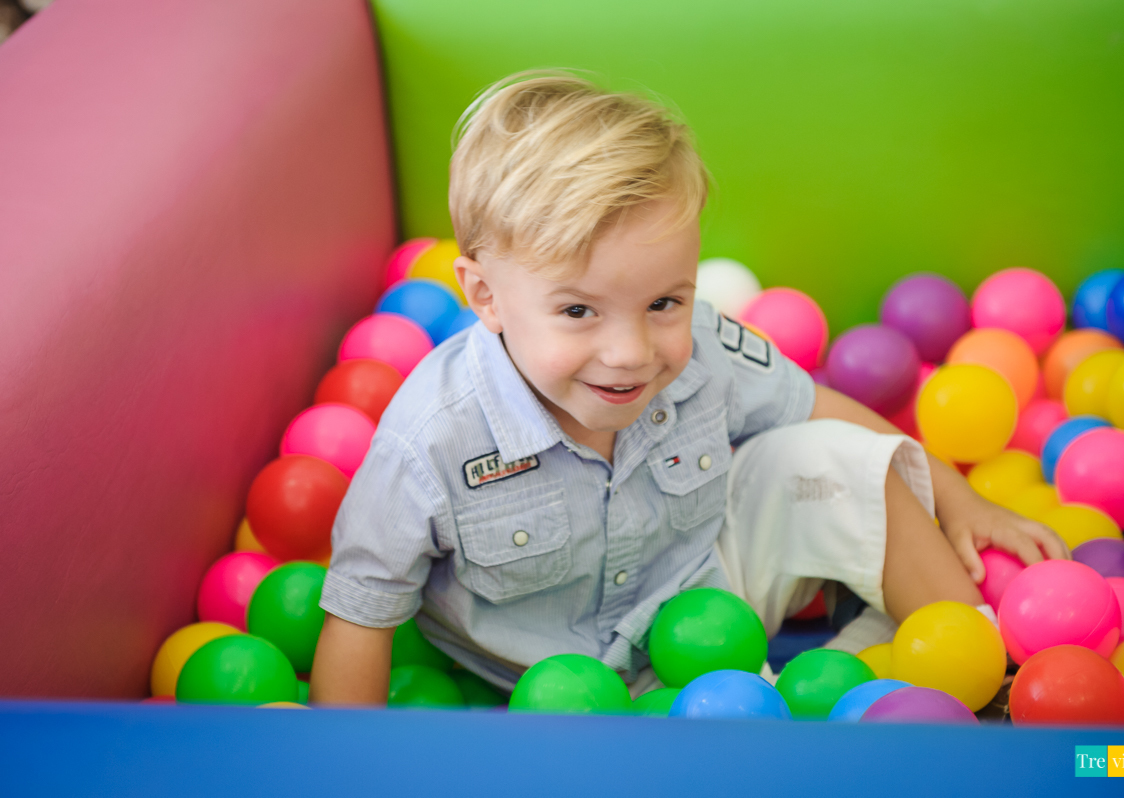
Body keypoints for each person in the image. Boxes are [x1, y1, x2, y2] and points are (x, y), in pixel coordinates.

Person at [309, 71, 1068, 704]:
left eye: (663, 303)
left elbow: (817, 407)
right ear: (485, 297)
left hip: (703, 591)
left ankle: (982, 684)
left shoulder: (702, 346)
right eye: (578, 312)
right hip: (551, 690)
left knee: (828, 456)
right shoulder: (432, 436)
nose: (631, 351)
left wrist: (961, 500)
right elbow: (362, 610)